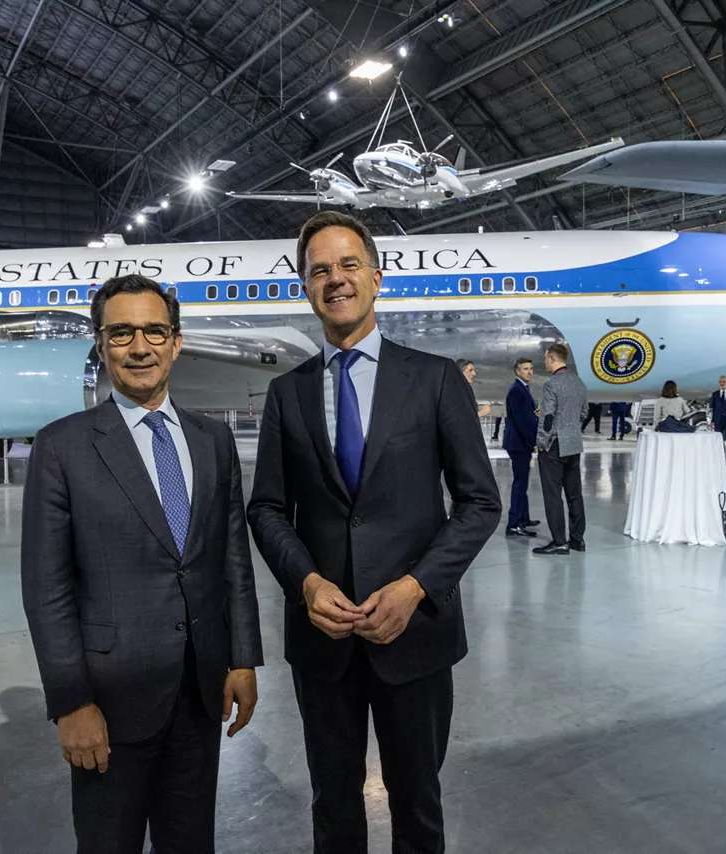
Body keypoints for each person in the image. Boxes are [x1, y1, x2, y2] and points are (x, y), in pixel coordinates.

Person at [248, 211, 501, 854]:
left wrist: (416, 588)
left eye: (348, 264)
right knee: (334, 804)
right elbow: (268, 509)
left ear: (377, 277)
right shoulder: (287, 394)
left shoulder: (435, 379)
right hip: (323, 641)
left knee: (418, 801)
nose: (336, 279)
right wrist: (305, 584)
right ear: (306, 287)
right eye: (320, 270)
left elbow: (478, 502)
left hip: (414, 634)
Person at [21, 274, 264, 853]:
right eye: (121, 332)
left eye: (155, 331)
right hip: (110, 698)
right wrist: (72, 703)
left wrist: (242, 659)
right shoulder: (63, 447)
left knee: (190, 842)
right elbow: (46, 588)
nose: (139, 346)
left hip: (200, 689)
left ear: (176, 343)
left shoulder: (213, 440)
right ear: (101, 345)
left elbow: (233, 557)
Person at [533, 343, 590, 556]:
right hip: (573, 444)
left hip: (554, 445)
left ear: (552, 358)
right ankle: (578, 540)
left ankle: (559, 541)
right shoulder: (579, 383)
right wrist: (571, 427)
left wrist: (542, 442)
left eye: (546, 359)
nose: (544, 363)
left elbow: (547, 419)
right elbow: (584, 412)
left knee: (553, 495)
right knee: (574, 494)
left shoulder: (551, 385)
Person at [502, 358, 541, 538]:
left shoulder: (522, 389)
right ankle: (514, 523)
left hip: (518, 442)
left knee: (522, 481)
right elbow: (522, 421)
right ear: (517, 371)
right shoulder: (517, 391)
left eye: (531, 368)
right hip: (518, 443)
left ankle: (523, 517)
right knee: (520, 483)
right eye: (525, 369)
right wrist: (534, 441)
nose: (529, 372)